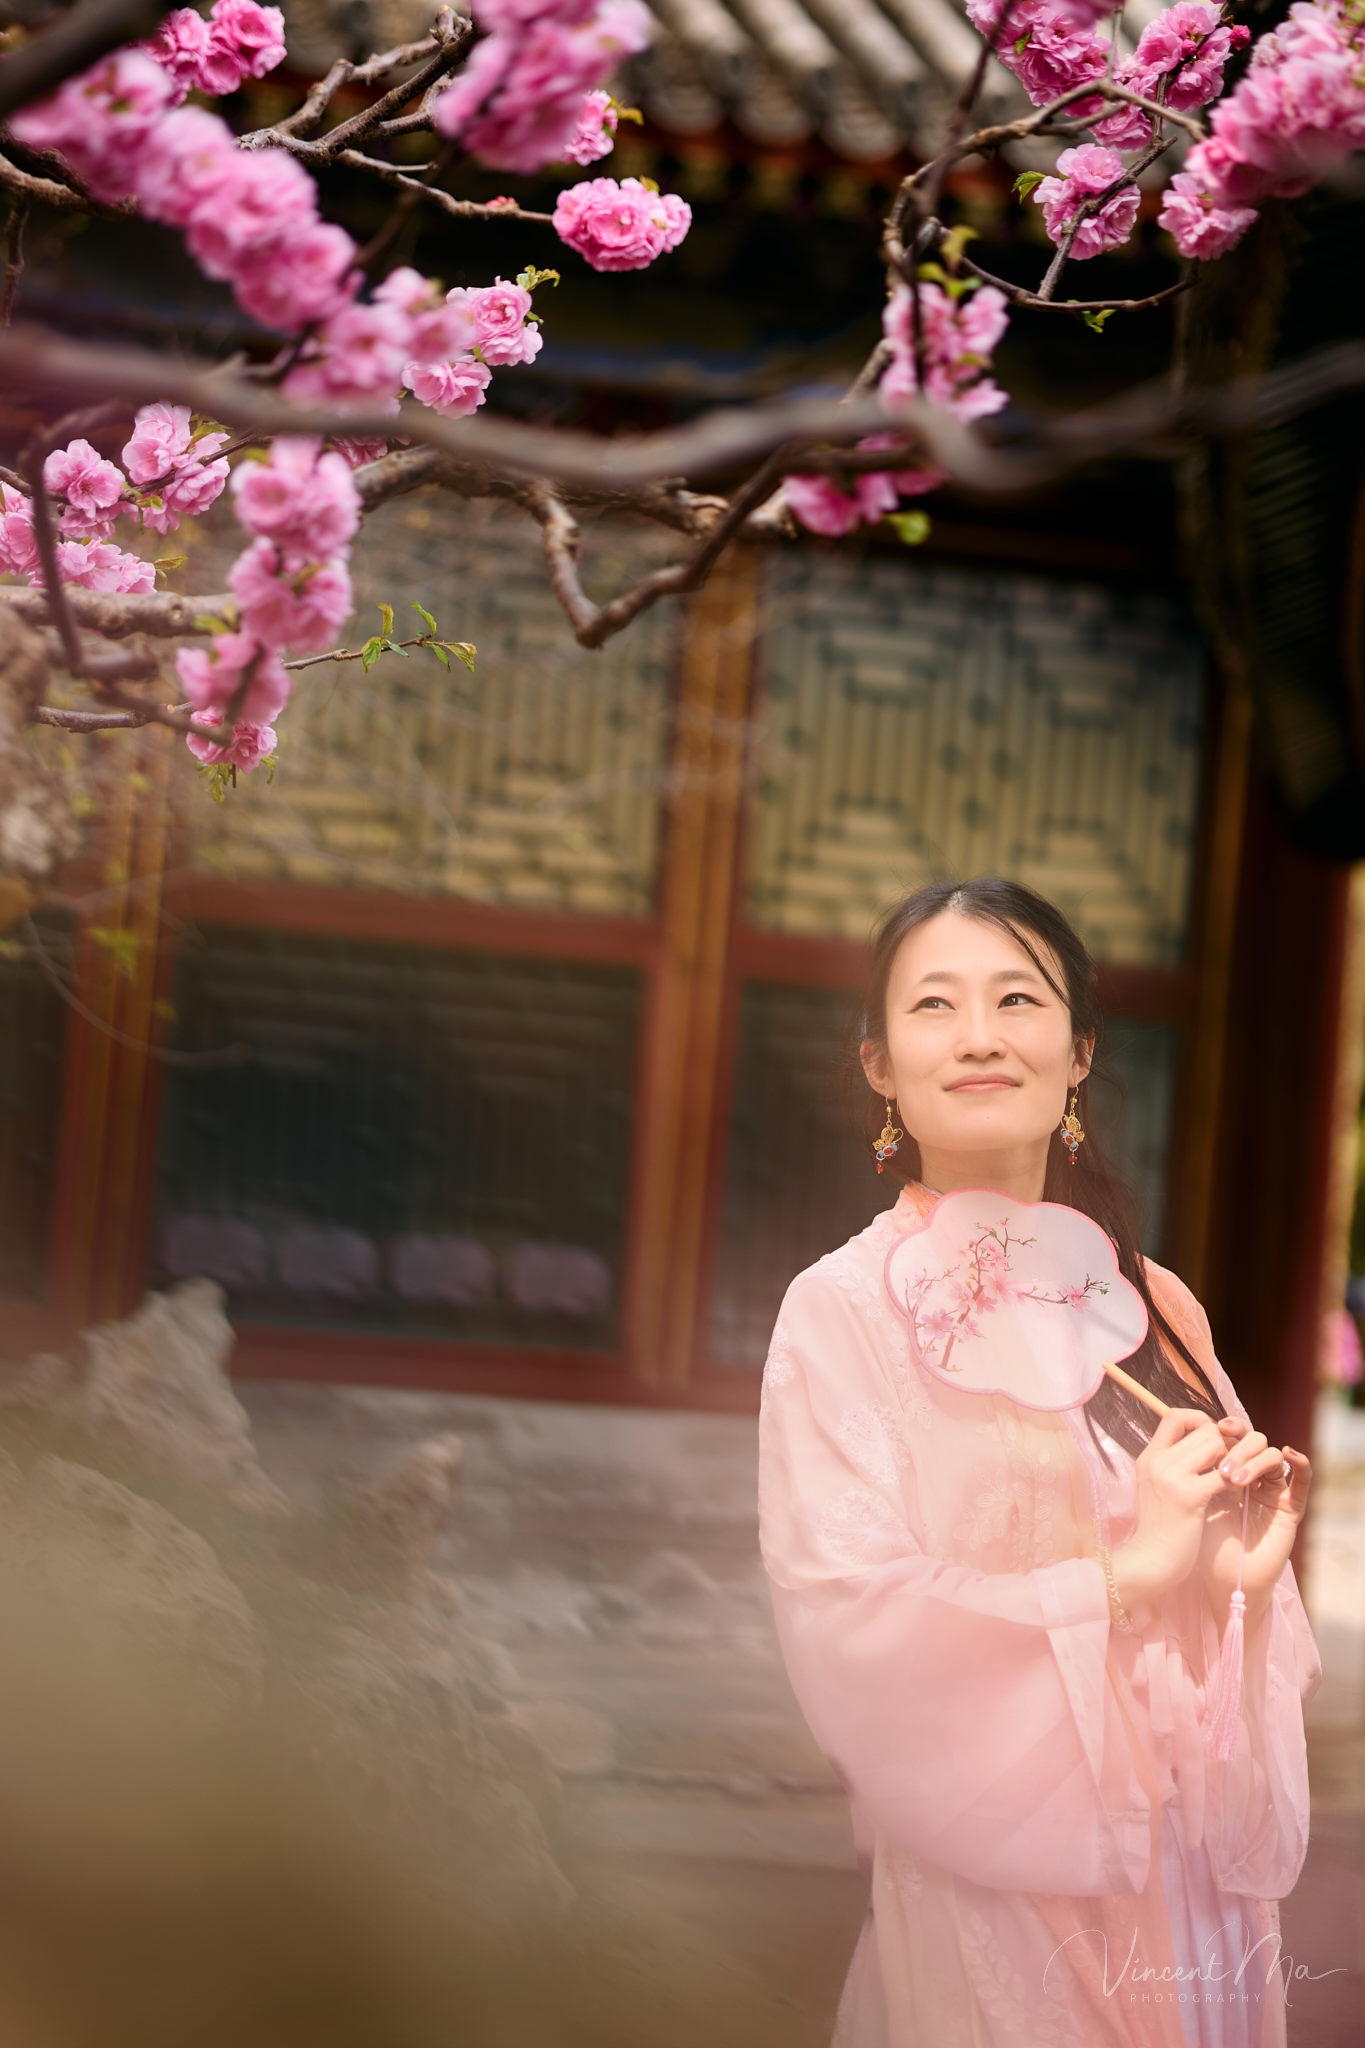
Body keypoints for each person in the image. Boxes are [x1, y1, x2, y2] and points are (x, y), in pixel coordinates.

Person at [757, 878, 1321, 2048]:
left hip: (1190, 1875)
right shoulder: (843, 1310)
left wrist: (1233, 1577)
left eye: (1018, 997)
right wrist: (1123, 1574)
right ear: (879, 1062)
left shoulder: (1150, 1300)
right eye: (934, 1004)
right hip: (999, 1871)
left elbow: (1213, 1618)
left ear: (1078, 1055)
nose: (979, 1035)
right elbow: (849, 1612)